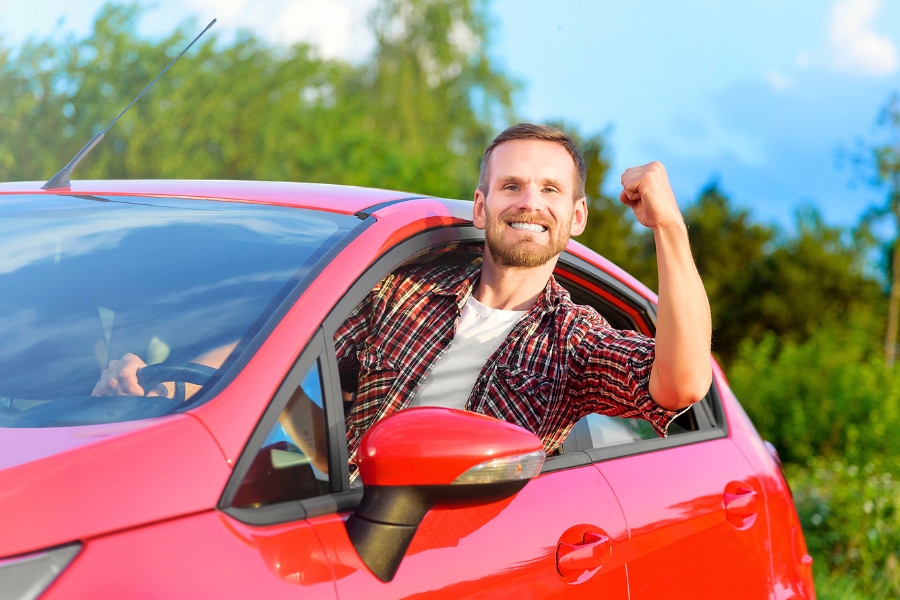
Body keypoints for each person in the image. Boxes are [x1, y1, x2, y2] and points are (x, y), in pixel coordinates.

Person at [94, 123, 712, 477]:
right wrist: (169, 382)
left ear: (575, 216)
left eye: (550, 189)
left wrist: (670, 228)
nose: (529, 202)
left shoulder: (573, 342)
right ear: (481, 205)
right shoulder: (398, 291)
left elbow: (682, 383)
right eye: (512, 185)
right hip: (346, 524)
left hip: (458, 556)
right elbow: (279, 353)